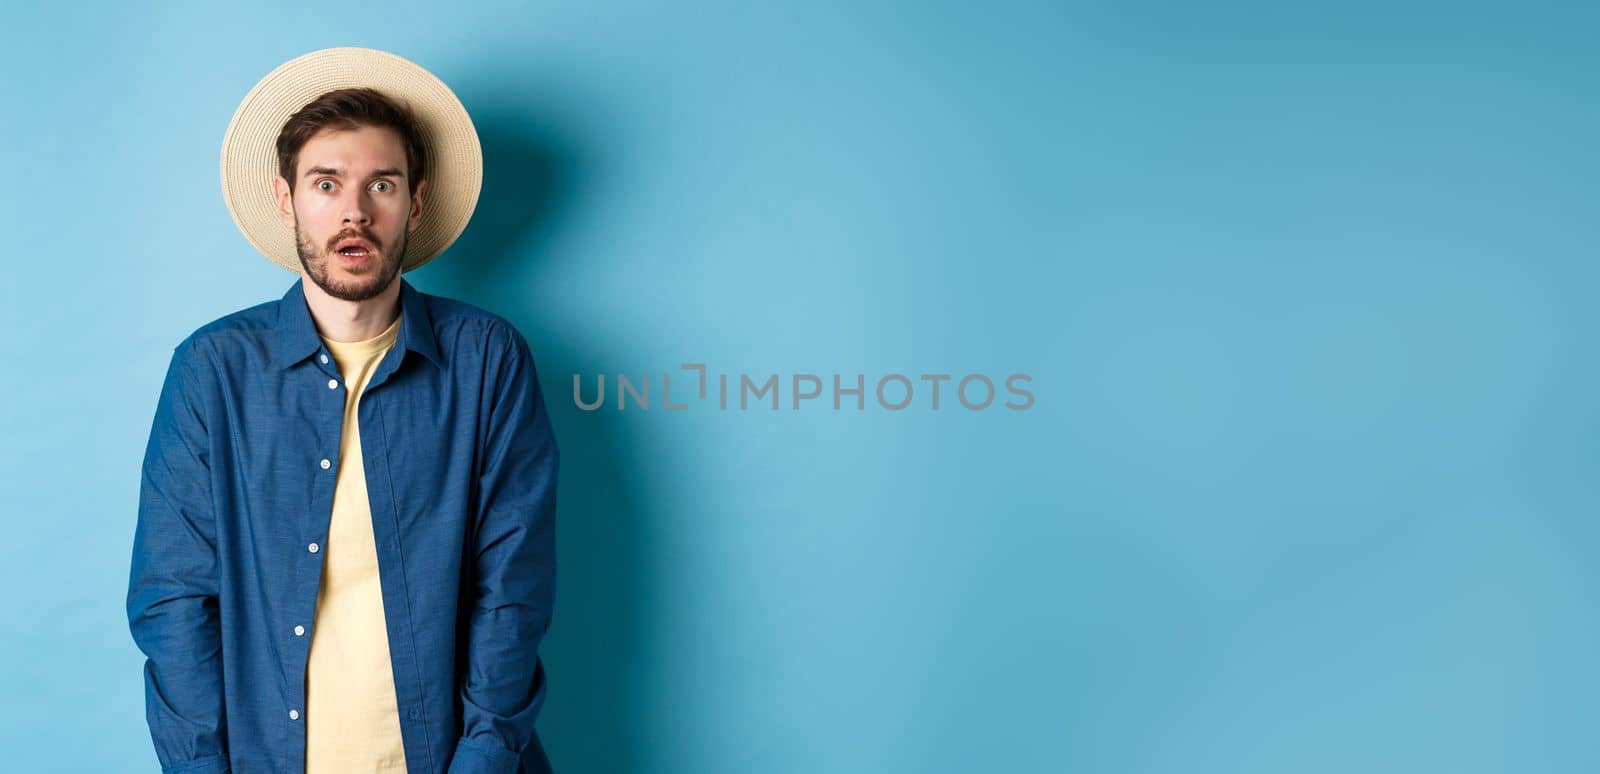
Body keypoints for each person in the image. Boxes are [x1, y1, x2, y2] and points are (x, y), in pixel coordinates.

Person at [125, 47, 559, 774]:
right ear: (288, 199)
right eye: (327, 184)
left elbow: (512, 589)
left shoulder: (487, 360)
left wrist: (480, 762)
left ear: (414, 204)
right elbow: (173, 600)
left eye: (380, 185)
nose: (354, 212)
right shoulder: (213, 370)